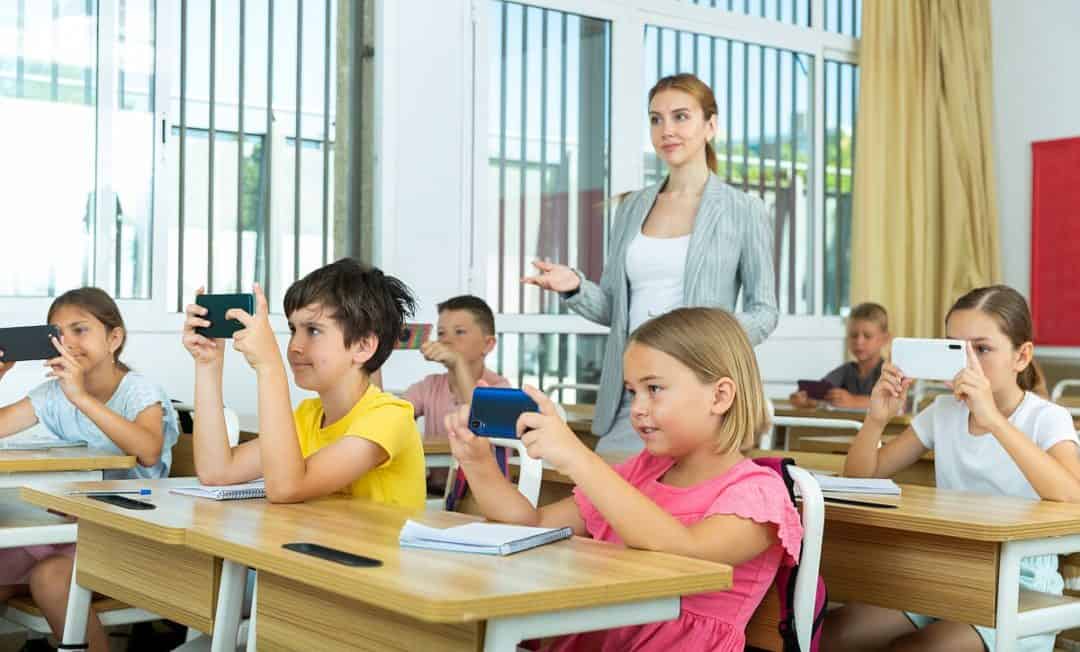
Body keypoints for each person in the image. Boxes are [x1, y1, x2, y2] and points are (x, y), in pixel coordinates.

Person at [445, 307, 802, 650]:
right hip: (598, 636)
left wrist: (577, 456)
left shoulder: (758, 494)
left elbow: (687, 552)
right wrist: (479, 464)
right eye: (633, 392)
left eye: (655, 389)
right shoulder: (639, 472)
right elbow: (534, 523)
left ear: (720, 396)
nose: (638, 408)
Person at [522, 73, 778, 453]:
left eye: (680, 117)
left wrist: (712, 344)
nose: (666, 130)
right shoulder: (631, 208)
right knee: (606, 498)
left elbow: (764, 311)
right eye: (656, 119)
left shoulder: (743, 210)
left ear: (710, 125)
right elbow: (615, 308)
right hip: (634, 391)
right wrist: (574, 286)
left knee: (677, 507)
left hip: (698, 393)